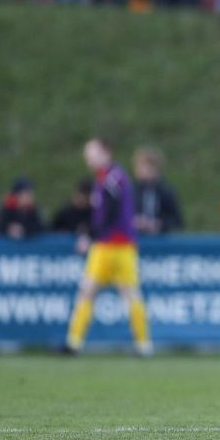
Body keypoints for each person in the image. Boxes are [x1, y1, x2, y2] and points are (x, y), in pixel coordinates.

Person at [64, 138, 152, 356]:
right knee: (93, 291)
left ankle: (143, 344)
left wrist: (91, 235)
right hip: (114, 245)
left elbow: (110, 212)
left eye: (91, 152)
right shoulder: (106, 177)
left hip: (113, 245)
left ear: (106, 152)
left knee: (121, 293)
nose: (88, 158)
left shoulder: (112, 178)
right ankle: (74, 343)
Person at [133, 146, 184, 235]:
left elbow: (177, 221)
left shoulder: (166, 191)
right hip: (137, 240)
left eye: (146, 168)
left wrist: (159, 224)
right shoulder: (132, 191)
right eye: (139, 167)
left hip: (161, 241)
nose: (141, 171)